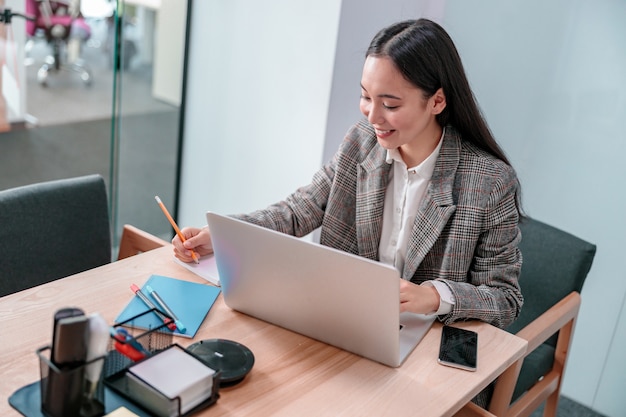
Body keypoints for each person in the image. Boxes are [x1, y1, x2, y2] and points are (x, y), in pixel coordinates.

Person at [173, 18, 523, 406]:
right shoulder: (361, 143)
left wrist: (433, 297)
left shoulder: (489, 182)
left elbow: (505, 299)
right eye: (366, 97)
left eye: (390, 104)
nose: (372, 116)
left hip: (424, 356)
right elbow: (301, 209)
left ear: (437, 101)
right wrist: (223, 235)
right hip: (346, 332)